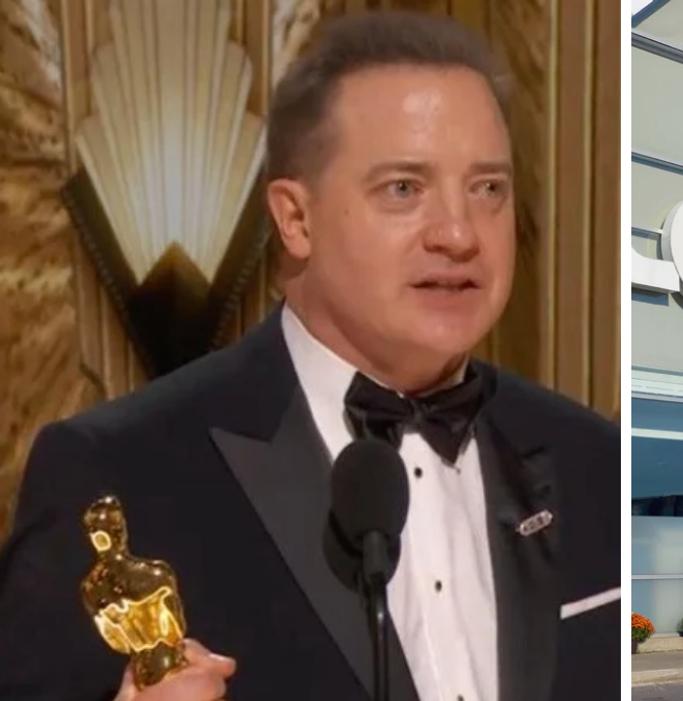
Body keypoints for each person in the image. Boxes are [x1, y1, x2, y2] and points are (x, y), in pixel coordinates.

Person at [0, 10, 619, 701]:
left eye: (488, 189)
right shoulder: (119, 478)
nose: (458, 233)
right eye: (404, 188)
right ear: (295, 219)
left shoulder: (601, 463)